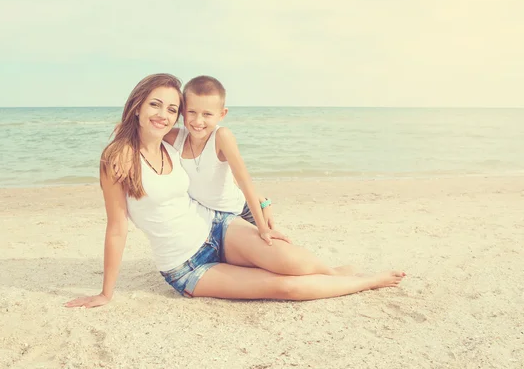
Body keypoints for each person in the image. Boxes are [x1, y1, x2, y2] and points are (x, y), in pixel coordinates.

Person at [65, 74, 405, 308]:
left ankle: (333, 274)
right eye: (156, 105)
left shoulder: (174, 143)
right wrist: (106, 293)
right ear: (137, 105)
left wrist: (260, 211)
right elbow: (117, 228)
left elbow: (231, 172)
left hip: (218, 226)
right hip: (187, 266)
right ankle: (367, 282)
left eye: (171, 109)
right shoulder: (118, 159)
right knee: (284, 286)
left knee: (290, 260)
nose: (164, 115)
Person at [164, 75, 274, 243]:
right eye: (191, 112)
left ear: (222, 114)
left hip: (241, 212)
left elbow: (243, 180)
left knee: (274, 252)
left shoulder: (221, 136)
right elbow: (141, 131)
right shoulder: (176, 138)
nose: (198, 121)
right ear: (182, 110)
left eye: (207, 114)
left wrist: (263, 227)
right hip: (211, 219)